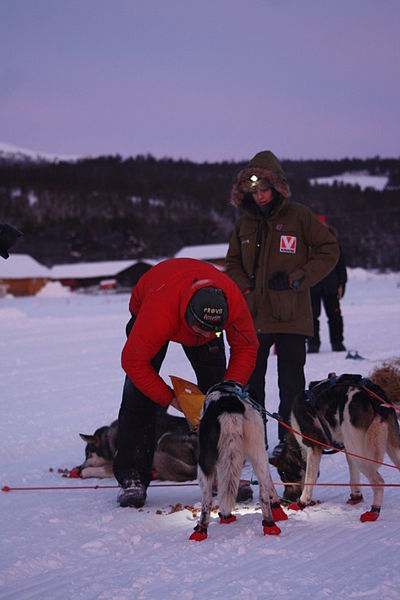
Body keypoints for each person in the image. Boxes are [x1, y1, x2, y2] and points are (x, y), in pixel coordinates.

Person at [113, 257, 259, 508]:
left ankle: (221, 474)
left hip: (188, 306)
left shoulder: (231, 302)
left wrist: (230, 386)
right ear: (187, 316)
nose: (205, 336)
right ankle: (132, 475)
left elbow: (246, 346)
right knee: (139, 397)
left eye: (213, 332)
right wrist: (170, 398)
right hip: (153, 302)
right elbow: (133, 363)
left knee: (218, 399)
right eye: (200, 330)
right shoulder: (159, 311)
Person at [225, 150, 339, 456]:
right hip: (254, 319)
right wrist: (245, 288)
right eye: (255, 191)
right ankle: (255, 446)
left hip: (291, 318)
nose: (260, 197)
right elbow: (232, 263)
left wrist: (298, 278)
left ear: (277, 188)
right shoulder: (243, 225)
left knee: (291, 389)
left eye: (265, 190)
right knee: (252, 389)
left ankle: (288, 445)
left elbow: (330, 249)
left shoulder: (300, 217)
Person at [307, 215, 347, 353]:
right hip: (312, 286)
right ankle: (313, 344)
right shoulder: (306, 245)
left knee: (335, 316)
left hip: (331, 286)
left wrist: (342, 284)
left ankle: (337, 342)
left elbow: (341, 266)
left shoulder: (333, 244)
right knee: (311, 316)